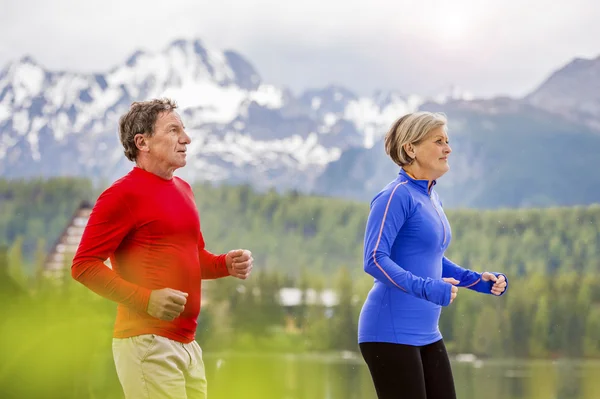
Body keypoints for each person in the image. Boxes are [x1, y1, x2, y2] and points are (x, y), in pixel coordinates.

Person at [71, 98, 254, 399]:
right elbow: (83, 266)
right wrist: (146, 300)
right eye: (173, 130)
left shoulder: (184, 190)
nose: (186, 139)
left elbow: (193, 258)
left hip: (189, 344)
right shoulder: (121, 196)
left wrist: (225, 264)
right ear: (142, 142)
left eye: (184, 130)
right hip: (146, 342)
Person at [357, 111, 508, 399]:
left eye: (447, 141)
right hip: (388, 331)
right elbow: (374, 259)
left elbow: (431, 259)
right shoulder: (394, 196)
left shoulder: (430, 196)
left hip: (427, 332)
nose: (448, 148)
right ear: (410, 148)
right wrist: (428, 288)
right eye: (439, 141)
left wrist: (478, 281)